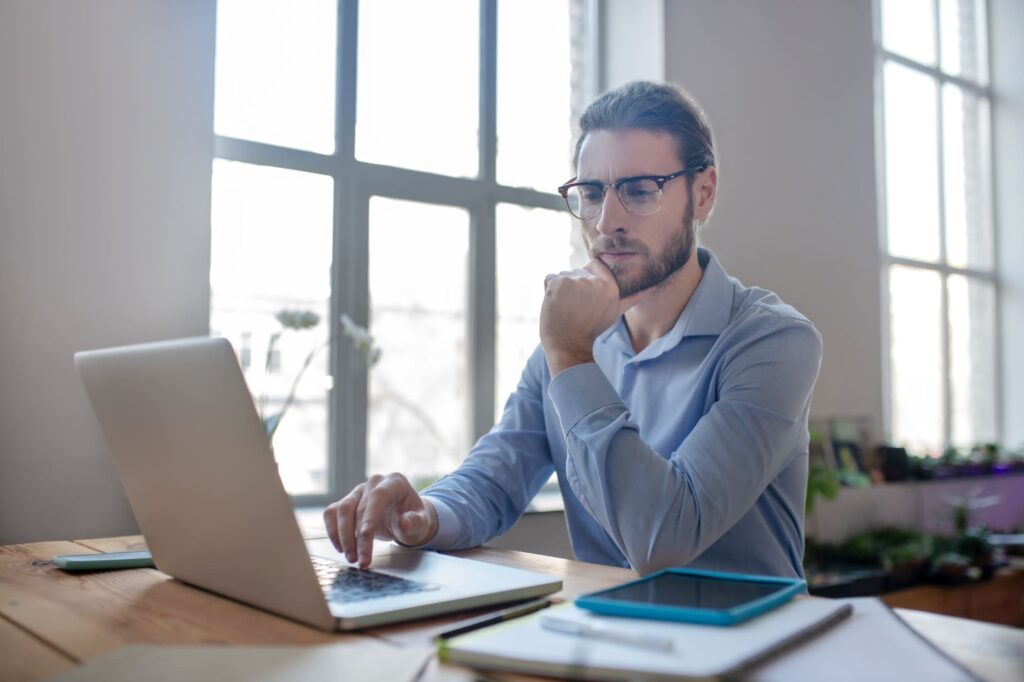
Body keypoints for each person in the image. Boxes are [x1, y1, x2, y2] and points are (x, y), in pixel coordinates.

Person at [324, 80, 822, 578]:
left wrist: (571, 355)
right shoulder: (572, 343)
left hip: (751, 645)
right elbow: (495, 477)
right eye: (590, 193)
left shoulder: (773, 341)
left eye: (640, 191)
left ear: (703, 194)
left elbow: (665, 538)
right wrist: (421, 516)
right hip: (607, 635)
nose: (608, 221)